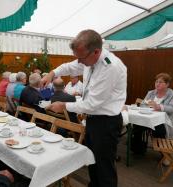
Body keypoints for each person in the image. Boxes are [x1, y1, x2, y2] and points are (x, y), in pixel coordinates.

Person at [42, 29, 127, 187]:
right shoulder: (89, 57)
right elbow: (70, 67)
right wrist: (52, 73)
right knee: (92, 161)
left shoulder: (110, 67)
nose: (79, 62)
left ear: (96, 51)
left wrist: (64, 106)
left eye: (81, 58)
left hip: (107, 123)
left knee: (104, 167)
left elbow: (91, 104)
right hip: (94, 120)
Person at [144, 73, 173, 138]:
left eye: (160, 82)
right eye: (156, 81)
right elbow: (142, 105)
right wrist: (146, 105)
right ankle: (137, 146)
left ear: (167, 84)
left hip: (165, 123)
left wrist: (158, 106)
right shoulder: (151, 93)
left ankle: (158, 145)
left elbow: (171, 109)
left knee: (157, 127)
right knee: (137, 124)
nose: (157, 84)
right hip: (149, 119)